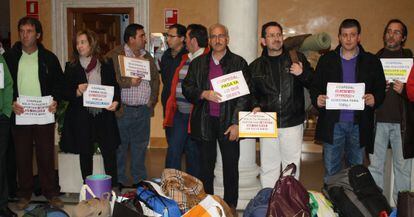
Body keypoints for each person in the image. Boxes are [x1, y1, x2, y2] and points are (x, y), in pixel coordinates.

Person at [182, 23, 249, 214]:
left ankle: (230, 207)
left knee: (230, 168)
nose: (217, 40)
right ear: (209, 40)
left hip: (229, 123)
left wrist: (237, 123)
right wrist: (204, 93)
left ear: (227, 38)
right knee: (205, 168)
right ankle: (207, 206)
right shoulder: (198, 63)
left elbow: (245, 97)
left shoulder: (239, 63)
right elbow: (187, 88)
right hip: (205, 122)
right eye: (214, 37)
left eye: (221, 36)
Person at [310, 19, 386, 182]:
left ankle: (353, 206)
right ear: (339, 37)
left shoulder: (371, 61)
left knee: (357, 171)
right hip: (333, 123)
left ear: (358, 37)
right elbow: (315, 86)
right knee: (331, 170)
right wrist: (318, 98)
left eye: (352, 35)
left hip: (359, 124)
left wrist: (375, 98)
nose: (349, 39)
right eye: (345, 35)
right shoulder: (327, 60)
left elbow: (380, 88)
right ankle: (331, 206)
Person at [3, 16, 64, 209]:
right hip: (20, 114)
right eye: (21, 31)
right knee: (22, 156)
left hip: (43, 114)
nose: (24, 35)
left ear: (38, 35)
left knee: (46, 155)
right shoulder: (9, 58)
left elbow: (59, 85)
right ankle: (24, 194)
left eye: (29, 31)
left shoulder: (49, 58)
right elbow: (3, 86)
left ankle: (51, 193)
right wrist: (10, 103)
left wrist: (55, 101)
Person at [248, 21, 313, 188]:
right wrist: (255, 105)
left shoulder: (296, 59)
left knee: (291, 167)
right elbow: (251, 92)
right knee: (268, 168)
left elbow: (314, 82)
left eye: (278, 35)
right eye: (271, 35)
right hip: (267, 123)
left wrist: (302, 73)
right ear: (263, 40)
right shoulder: (255, 67)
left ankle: (289, 203)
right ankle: (269, 204)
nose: (276, 39)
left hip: (292, 121)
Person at [60, 29, 120, 187]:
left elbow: (115, 87)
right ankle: (88, 188)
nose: (79, 46)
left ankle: (112, 188)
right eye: (77, 43)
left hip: (104, 115)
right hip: (82, 116)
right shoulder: (71, 66)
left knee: (109, 153)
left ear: (92, 43)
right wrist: (77, 91)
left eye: (83, 42)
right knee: (85, 153)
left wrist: (116, 102)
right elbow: (64, 92)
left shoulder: (106, 64)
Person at [107, 24, 159, 189]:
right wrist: (129, 82)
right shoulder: (115, 55)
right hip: (124, 109)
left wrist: (152, 99)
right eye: (141, 36)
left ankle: (139, 179)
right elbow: (110, 79)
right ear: (131, 39)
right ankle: (120, 179)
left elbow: (156, 80)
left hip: (143, 109)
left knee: (140, 146)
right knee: (120, 147)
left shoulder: (147, 56)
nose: (144, 39)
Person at [368, 19, 413, 202]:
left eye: (396, 32)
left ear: (403, 38)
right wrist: (376, 90)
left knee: (402, 169)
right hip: (378, 122)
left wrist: (405, 91)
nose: (391, 35)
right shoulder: (373, 60)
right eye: (388, 31)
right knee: (375, 167)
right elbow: (364, 89)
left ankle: (401, 209)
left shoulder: (411, 61)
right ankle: (378, 208)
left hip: (403, 124)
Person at [163, 24, 210, 178]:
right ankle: (170, 185)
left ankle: (193, 188)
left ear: (193, 41)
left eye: (187, 39)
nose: (185, 43)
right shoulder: (186, 58)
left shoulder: (207, 60)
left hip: (196, 115)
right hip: (179, 112)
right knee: (174, 151)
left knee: (193, 153)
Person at [0, 54, 16, 217]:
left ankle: (2, 205)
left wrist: (5, 112)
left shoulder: (0, 58)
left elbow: (8, 84)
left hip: (1, 118)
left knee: (1, 161)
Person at [160, 24, 187, 117]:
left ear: (182, 38)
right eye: (167, 36)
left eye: (172, 36)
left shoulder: (189, 56)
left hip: (184, 102)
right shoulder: (165, 56)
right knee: (169, 130)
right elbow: (164, 78)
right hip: (168, 100)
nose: (168, 39)